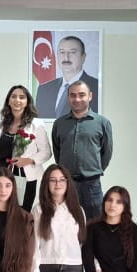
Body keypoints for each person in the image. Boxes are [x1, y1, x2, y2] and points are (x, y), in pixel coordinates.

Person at [50, 81, 112, 220]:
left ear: (90, 96)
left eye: (81, 95)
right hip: (67, 184)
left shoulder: (102, 123)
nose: (77, 99)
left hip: (92, 185)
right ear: (68, 97)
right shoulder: (59, 123)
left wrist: (93, 170)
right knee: (66, 223)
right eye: (73, 95)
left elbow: (107, 153)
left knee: (94, 225)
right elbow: (57, 151)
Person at [0, 85, 51, 210]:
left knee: (23, 212)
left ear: (27, 102)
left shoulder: (36, 124)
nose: (17, 100)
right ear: (8, 101)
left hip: (26, 177)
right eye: (13, 96)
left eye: (22, 97)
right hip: (2, 177)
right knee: (4, 211)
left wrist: (28, 160)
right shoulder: (0, 124)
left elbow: (46, 152)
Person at [34, 35, 100, 116]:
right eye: (62, 52)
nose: (66, 57)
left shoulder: (96, 88)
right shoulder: (44, 90)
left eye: (72, 52)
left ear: (83, 57)